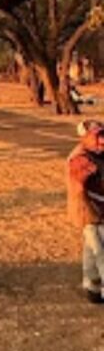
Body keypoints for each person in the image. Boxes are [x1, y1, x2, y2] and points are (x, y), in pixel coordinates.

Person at [67, 119, 104, 304]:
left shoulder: (97, 153)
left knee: (92, 249)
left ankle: (92, 287)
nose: (102, 140)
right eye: (98, 136)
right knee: (100, 250)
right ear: (86, 138)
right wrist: (93, 212)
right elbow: (80, 190)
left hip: (97, 209)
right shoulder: (80, 159)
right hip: (90, 212)